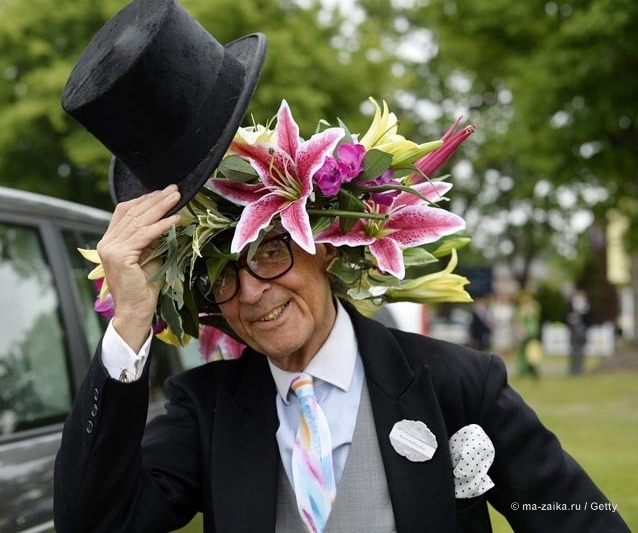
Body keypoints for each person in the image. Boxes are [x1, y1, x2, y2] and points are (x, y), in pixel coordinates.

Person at [53, 1, 630, 531]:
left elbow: (578, 519)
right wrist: (130, 317)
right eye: (224, 276)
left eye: (270, 251)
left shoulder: (457, 386)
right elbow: (95, 524)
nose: (253, 293)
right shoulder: (204, 409)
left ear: (326, 244)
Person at [513, 292, 542, 379]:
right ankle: (522, 371)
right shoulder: (520, 310)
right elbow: (517, 321)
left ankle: (534, 372)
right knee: (522, 355)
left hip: (532, 335)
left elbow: (535, 316)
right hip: (523, 336)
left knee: (533, 354)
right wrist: (521, 331)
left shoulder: (534, 309)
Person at [566, 288, 592, 375]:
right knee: (573, 350)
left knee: (581, 350)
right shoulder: (571, 305)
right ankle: (573, 369)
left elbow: (589, 318)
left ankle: (580, 369)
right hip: (573, 330)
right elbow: (565, 315)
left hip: (582, 329)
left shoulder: (586, 305)